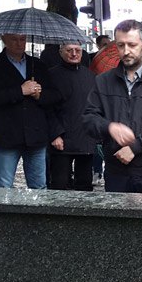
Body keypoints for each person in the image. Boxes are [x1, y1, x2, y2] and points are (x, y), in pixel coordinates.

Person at [83, 19, 142, 193]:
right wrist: (109, 127)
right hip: (117, 171)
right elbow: (89, 119)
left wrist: (136, 147)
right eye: (120, 45)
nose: (126, 51)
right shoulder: (103, 81)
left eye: (131, 45)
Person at [0, 33, 60, 189]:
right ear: (4, 40)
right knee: (3, 186)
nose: (19, 43)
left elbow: (55, 95)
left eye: (22, 39)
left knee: (39, 186)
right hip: (7, 135)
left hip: (36, 136)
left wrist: (39, 95)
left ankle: (36, 214)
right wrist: (20, 91)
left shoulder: (37, 64)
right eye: (14, 39)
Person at [48, 43, 97, 191]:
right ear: (61, 52)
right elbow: (47, 109)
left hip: (85, 139)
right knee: (60, 185)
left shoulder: (90, 76)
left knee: (84, 185)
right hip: (61, 139)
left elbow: (94, 107)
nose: (74, 54)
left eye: (78, 50)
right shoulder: (51, 75)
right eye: (70, 50)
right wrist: (55, 134)